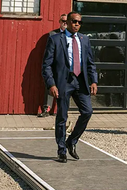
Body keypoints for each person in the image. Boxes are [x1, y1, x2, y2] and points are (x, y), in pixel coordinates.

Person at [41, 12, 98, 163]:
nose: (77, 24)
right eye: (74, 21)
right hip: (63, 83)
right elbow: (46, 65)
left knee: (87, 111)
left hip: (81, 82)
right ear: (67, 23)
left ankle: (71, 141)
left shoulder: (85, 40)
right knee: (62, 116)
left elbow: (90, 63)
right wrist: (51, 84)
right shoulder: (55, 40)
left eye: (79, 22)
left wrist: (94, 81)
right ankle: (61, 150)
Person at [39, 13, 68, 118]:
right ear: (59, 22)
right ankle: (46, 109)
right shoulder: (52, 34)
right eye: (63, 21)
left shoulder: (71, 35)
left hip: (66, 67)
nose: (65, 23)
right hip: (54, 65)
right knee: (50, 86)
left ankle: (61, 110)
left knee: (65, 88)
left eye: (66, 21)